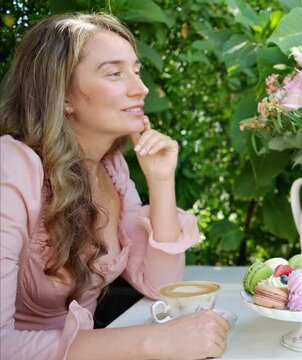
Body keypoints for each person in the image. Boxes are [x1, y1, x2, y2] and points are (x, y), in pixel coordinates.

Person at [0, 13, 229, 359]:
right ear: (63, 96)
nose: (141, 88)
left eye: (136, 70)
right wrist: (155, 341)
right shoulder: (12, 167)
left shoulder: (113, 169)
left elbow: (160, 285)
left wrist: (161, 180)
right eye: (115, 73)